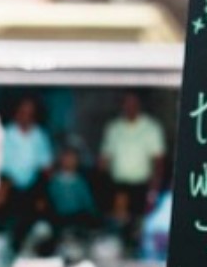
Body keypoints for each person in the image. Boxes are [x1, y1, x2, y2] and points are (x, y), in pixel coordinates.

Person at [99, 91, 166, 239]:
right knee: (117, 230)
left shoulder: (151, 128)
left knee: (139, 231)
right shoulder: (114, 128)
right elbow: (104, 160)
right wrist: (103, 189)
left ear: (139, 105)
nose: (130, 106)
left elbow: (159, 162)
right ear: (122, 105)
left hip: (141, 186)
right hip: (118, 186)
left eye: (133, 103)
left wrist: (153, 191)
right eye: (126, 103)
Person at [0, 96, 54, 250]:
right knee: (4, 199)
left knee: (39, 207)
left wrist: (42, 189)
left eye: (30, 113)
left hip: (32, 185)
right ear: (16, 113)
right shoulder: (5, 134)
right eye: (23, 112)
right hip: (8, 183)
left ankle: (29, 245)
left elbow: (46, 166)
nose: (26, 116)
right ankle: (3, 240)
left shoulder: (39, 136)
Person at [46, 145, 98, 232]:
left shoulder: (80, 182)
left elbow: (89, 204)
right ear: (61, 160)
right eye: (66, 158)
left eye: (72, 159)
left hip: (77, 219)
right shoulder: (53, 182)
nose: (69, 161)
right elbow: (49, 202)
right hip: (58, 219)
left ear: (77, 161)